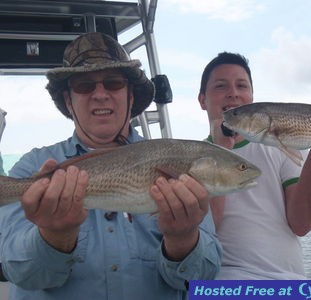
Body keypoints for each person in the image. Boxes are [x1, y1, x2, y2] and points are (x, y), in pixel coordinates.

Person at [0, 32, 222, 299]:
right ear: (69, 101)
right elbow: (21, 273)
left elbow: (201, 279)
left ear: (130, 97)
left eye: (114, 83)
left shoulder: (178, 162)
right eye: (84, 86)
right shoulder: (31, 168)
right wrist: (54, 236)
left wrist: (183, 238)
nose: (100, 95)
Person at [197, 52, 311, 279]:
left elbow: (301, 224)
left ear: (252, 97)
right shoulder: (191, 156)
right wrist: (221, 149)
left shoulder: (283, 145)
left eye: (242, 86)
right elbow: (207, 229)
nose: (233, 93)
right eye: (220, 86)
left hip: (288, 281)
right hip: (224, 282)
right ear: (202, 100)